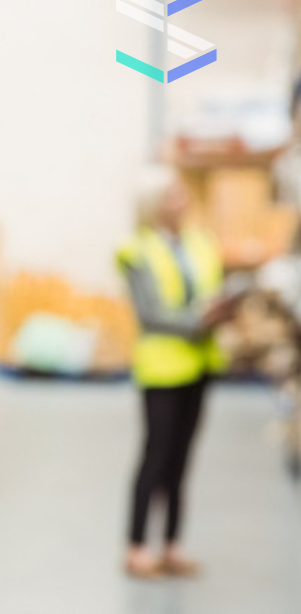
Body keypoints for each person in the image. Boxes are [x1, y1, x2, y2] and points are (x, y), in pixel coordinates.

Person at [118, 168, 231, 579]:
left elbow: (211, 291)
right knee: (156, 456)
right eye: (173, 195)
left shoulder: (200, 243)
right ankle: (135, 548)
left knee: (183, 458)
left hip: (201, 365)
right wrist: (201, 320)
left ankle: (170, 545)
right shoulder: (136, 250)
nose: (183, 201)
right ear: (153, 204)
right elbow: (151, 315)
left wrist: (224, 308)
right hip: (162, 369)